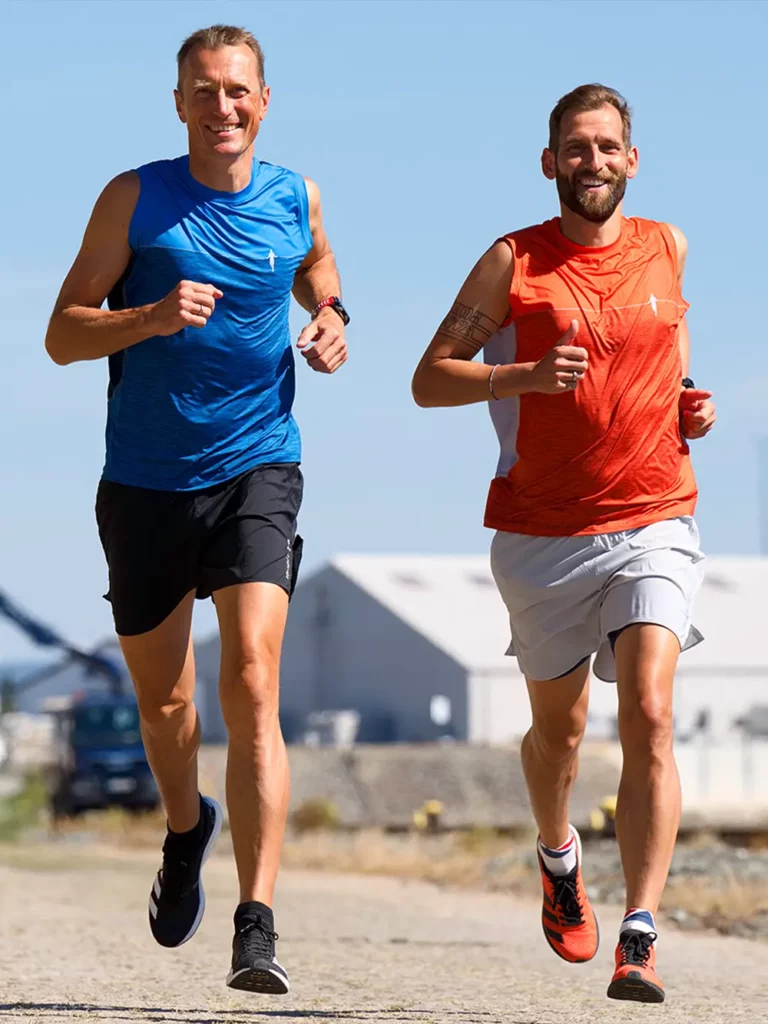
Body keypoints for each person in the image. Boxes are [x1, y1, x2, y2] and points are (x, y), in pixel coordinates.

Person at [45, 24, 349, 995]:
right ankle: (187, 829)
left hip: (258, 464)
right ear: (179, 104)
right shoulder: (134, 199)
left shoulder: (293, 195)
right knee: (166, 701)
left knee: (253, 678)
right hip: (143, 482)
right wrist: (149, 314)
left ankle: (256, 923)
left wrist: (334, 316)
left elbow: (317, 265)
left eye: (239, 91)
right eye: (205, 91)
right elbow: (61, 333)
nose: (224, 106)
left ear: (265, 101)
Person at [411, 83, 715, 1004]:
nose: (593, 162)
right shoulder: (514, 262)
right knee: (562, 732)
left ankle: (641, 930)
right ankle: (558, 856)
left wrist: (688, 406)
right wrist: (526, 375)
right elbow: (430, 380)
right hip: (544, 534)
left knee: (652, 713)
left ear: (632, 159)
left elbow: (669, 357)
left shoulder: (669, 245)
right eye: (575, 149)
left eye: (608, 147)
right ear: (551, 163)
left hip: (656, 515)